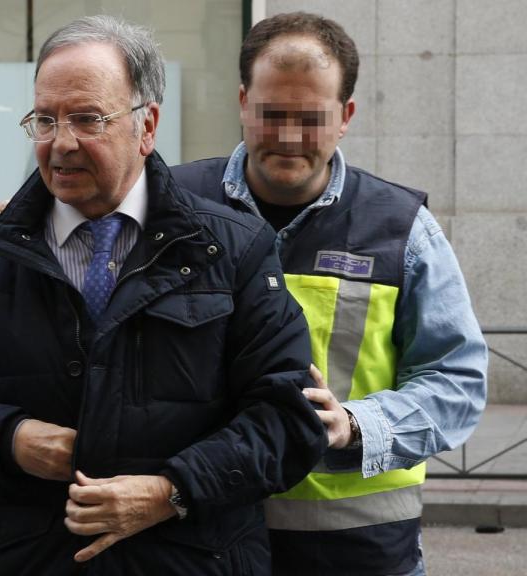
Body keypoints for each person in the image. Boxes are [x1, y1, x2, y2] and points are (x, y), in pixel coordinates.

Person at [0, 15, 325, 575]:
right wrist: (11, 438)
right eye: (45, 120)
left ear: (147, 127)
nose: (62, 142)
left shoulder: (232, 249)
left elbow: (287, 421)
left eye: (88, 119)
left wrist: (172, 491)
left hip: (193, 561)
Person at [169, 12, 487, 576]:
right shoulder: (172, 207)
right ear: (243, 102)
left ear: (346, 116)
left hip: (356, 554)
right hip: (198, 536)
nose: (289, 138)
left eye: (311, 118)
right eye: (271, 114)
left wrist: (358, 425)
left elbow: (456, 380)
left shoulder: (403, 229)